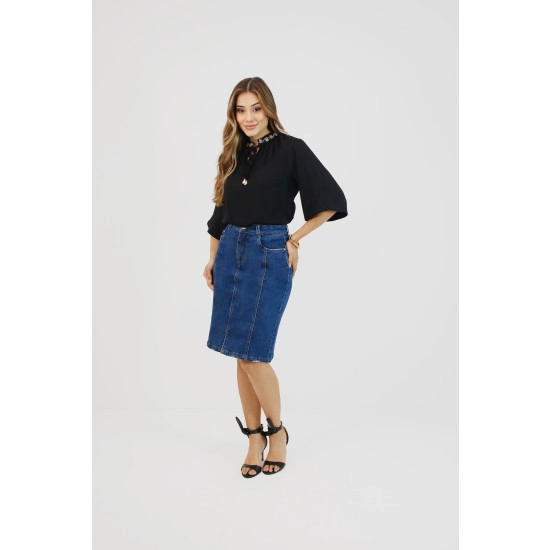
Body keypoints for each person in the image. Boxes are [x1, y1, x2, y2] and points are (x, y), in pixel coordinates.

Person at [203, 76, 347, 478]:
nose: (248, 117)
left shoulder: (291, 149)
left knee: (255, 351)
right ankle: (254, 438)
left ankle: (277, 431)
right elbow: (220, 213)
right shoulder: (232, 152)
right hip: (230, 251)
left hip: (268, 252)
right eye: (240, 110)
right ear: (233, 114)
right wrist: (212, 259)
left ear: (268, 109)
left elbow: (332, 200)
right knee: (239, 350)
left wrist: (294, 239)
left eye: (256, 108)